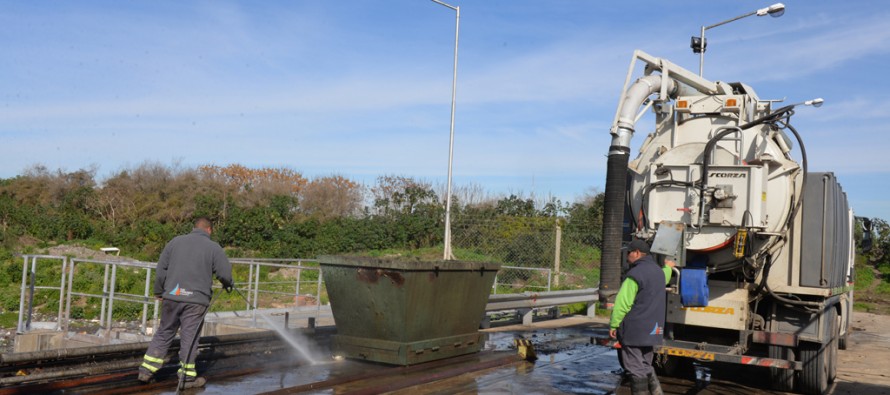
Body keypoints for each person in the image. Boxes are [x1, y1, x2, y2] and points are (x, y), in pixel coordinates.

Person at [138, 217, 233, 388]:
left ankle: (146, 371)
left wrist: (159, 291)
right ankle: (187, 378)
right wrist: (228, 283)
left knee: (164, 331)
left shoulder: (175, 242)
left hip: (172, 296)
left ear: (194, 228)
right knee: (189, 337)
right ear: (209, 230)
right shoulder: (213, 247)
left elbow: (161, 270)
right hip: (196, 301)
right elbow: (224, 274)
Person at [609, 239, 670, 395]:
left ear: (636, 253)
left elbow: (623, 303)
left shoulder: (634, 274)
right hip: (653, 330)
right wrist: (669, 268)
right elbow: (666, 276)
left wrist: (614, 325)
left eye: (629, 252)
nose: (627, 255)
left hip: (635, 330)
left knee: (635, 368)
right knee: (645, 364)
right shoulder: (659, 273)